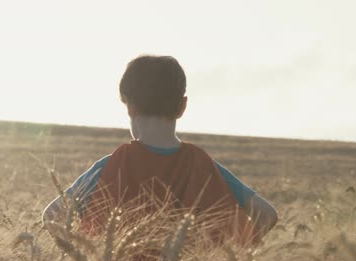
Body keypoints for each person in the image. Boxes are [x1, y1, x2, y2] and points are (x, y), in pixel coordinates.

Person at [42, 55, 277, 245]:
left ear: (129, 106)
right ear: (182, 106)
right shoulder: (204, 166)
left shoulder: (112, 165)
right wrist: (223, 260)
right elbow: (267, 215)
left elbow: (52, 216)